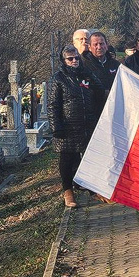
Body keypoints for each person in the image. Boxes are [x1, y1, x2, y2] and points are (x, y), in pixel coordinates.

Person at [48, 45, 105, 208]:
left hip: (87, 122)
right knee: (67, 159)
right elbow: (53, 105)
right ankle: (68, 192)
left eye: (76, 58)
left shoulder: (84, 74)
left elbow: (99, 91)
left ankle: (93, 189)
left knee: (90, 158)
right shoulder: (58, 78)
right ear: (64, 61)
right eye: (70, 59)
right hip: (68, 126)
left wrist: (90, 75)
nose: (74, 61)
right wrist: (56, 126)